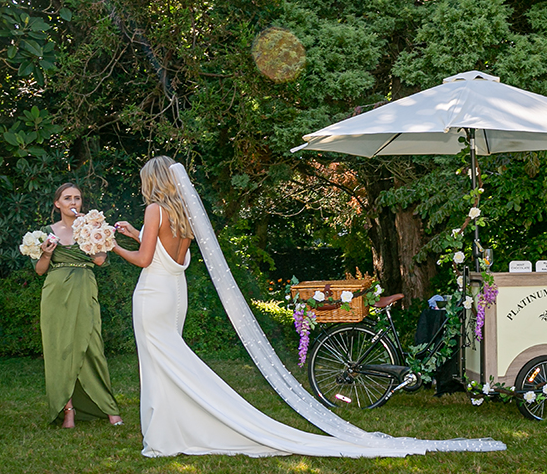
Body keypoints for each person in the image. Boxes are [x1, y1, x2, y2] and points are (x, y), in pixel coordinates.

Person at [112, 156, 504, 457]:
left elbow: (146, 260)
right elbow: (167, 250)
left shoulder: (154, 209)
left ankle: (166, 433)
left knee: (159, 362)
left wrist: (112, 245)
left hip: (153, 295)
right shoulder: (182, 215)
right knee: (172, 360)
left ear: (153, 182)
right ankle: (174, 427)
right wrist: (135, 234)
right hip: (174, 295)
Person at [33, 183, 122, 429]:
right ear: (57, 203)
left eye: (78, 198)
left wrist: (88, 233)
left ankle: (108, 407)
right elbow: (40, 271)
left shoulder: (93, 228)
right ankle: (68, 410)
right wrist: (47, 254)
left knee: (93, 345)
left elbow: (101, 261)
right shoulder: (46, 231)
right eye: (67, 198)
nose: (73, 202)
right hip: (56, 291)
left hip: (84, 287)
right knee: (60, 348)